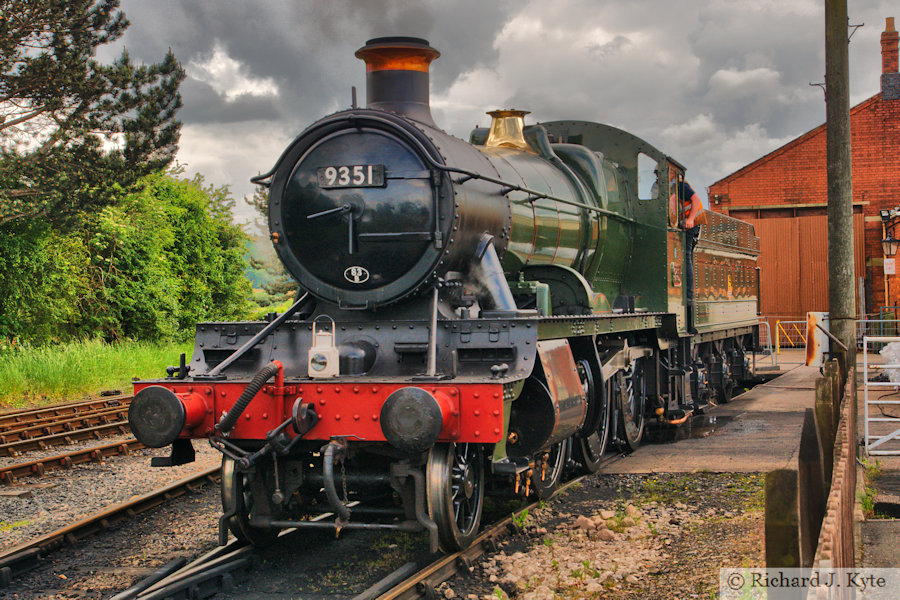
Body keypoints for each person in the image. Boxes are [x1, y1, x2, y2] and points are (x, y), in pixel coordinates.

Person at [670, 179, 705, 334]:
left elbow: (696, 199)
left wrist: (690, 219)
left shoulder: (680, 186)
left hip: (692, 223)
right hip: (682, 224)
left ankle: (689, 296)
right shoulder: (668, 188)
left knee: (686, 256)